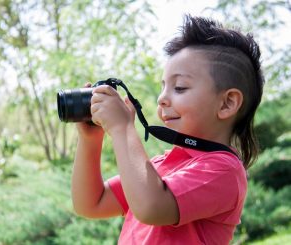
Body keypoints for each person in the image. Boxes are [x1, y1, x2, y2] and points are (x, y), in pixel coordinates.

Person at [71, 15, 264, 245]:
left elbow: (151, 207)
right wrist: (90, 140)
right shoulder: (161, 166)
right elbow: (91, 203)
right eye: (163, 87)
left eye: (180, 87)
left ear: (227, 103)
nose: (162, 99)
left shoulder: (224, 170)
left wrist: (123, 129)